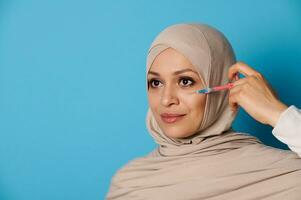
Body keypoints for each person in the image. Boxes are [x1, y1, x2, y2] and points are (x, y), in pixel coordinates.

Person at [106, 23, 301, 199]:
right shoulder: (128, 182)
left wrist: (279, 114)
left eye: (185, 81)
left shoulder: (283, 173)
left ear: (224, 85)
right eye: (155, 83)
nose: (166, 99)